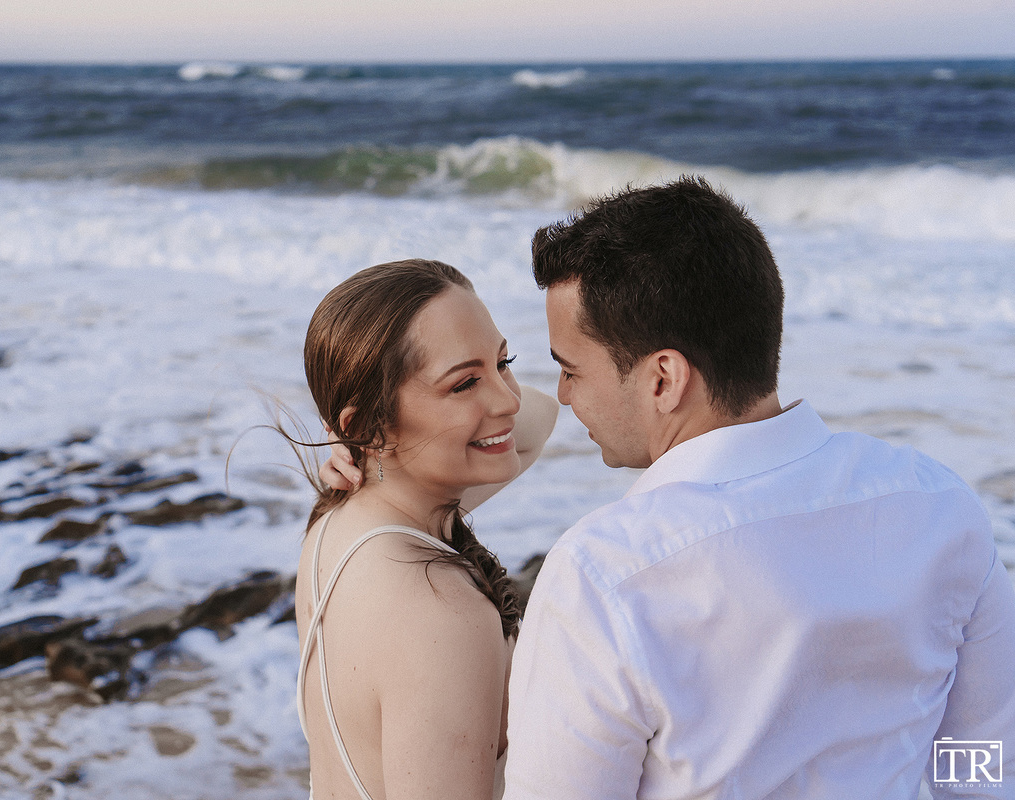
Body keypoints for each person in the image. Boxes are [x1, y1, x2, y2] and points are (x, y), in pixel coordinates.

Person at [503, 177, 1015, 799]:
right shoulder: (937, 504)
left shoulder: (604, 572)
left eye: (570, 368)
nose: (561, 395)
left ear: (664, 379)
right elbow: (985, 758)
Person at [294, 258, 558, 800]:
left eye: (504, 362)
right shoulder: (441, 611)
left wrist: (367, 448)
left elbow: (540, 416)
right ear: (364, 423)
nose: (507, 399)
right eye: (464, 384)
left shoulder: (336, 524)